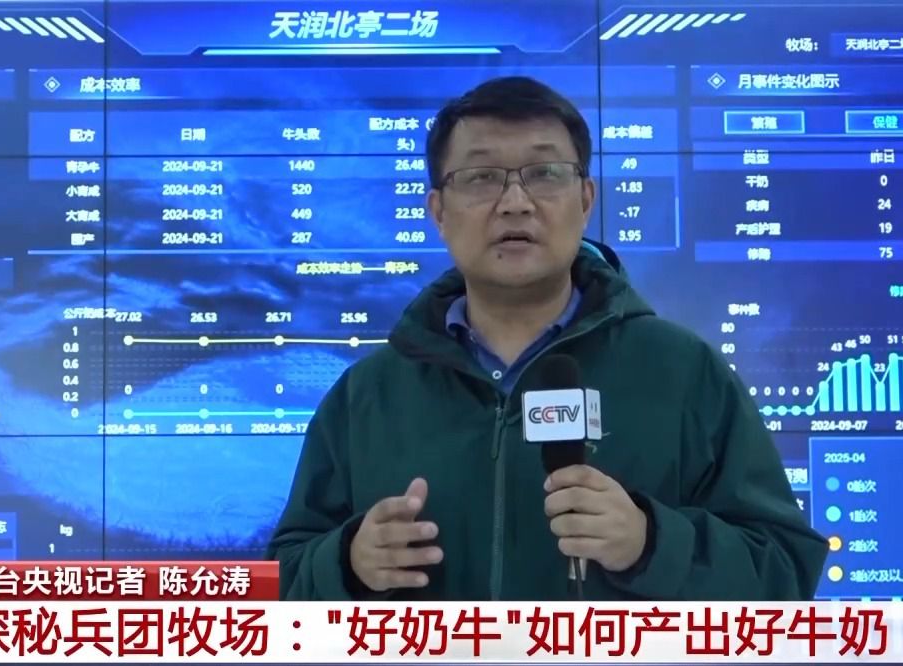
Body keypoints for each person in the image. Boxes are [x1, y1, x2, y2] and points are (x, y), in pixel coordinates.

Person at [264, 76, 827, 601]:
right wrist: (347, 562)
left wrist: (652, 543)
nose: (515, 201)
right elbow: (280, 581)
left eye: (544, 173)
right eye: (481, 177)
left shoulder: (684, 374)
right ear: (437, 210)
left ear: (586, 199)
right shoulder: (368, 395)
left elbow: (784, 571)